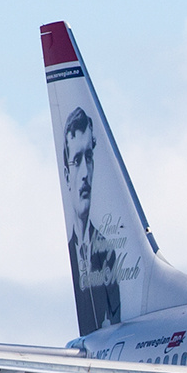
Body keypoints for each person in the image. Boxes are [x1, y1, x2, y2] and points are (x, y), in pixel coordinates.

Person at [62, 107, 121, 330]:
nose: (86, 172)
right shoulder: (78, 248)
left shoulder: (108, 253)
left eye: (89, 157)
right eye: (77, 160)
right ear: (67, 176)